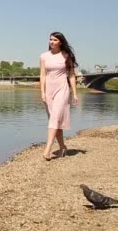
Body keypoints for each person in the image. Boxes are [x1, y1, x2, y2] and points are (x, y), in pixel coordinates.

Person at [40, 32, 78, 161]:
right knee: (55, 121)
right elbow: (42, 75)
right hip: (49, 91)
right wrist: (42, 93)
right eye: (50, 39)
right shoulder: (44, 56)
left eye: (55, 40)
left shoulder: (67, 56)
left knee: (55, 118)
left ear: (60, 42)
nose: (52, 41)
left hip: (62, 89)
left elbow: (72, 76)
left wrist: (75, 93)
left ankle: (47, 150)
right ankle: (62, 147)